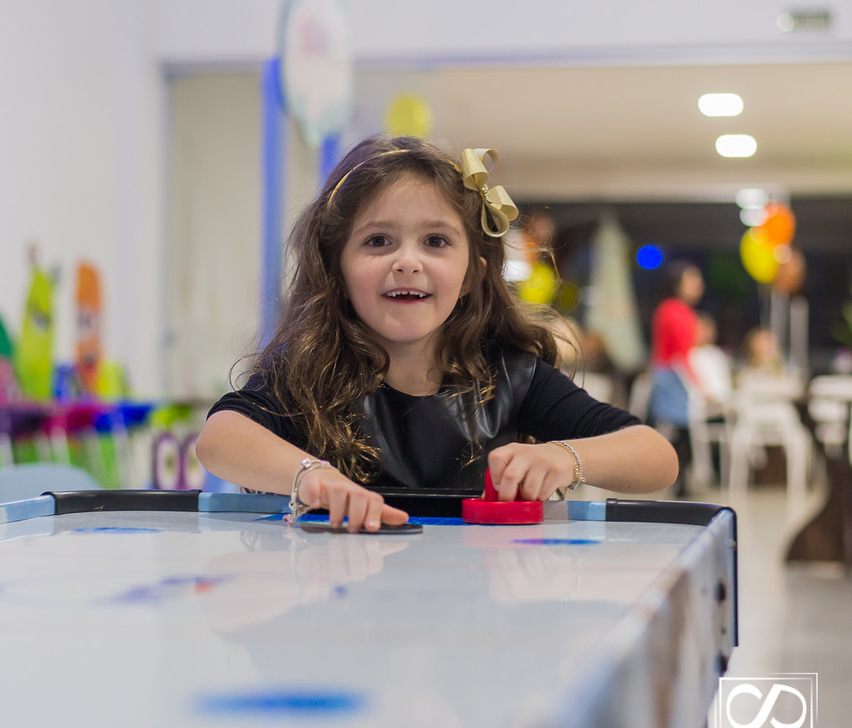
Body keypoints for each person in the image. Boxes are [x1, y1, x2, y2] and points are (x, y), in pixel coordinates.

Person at [196, 135, 677, 532]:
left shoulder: (513, 375)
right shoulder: (306, 367)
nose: (408, 261)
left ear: (472, 272)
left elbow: (656, 458)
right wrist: (312, 476)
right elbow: (220, 438)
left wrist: (562, 456)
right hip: (337, 619)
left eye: (436, 241)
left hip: (472, 625)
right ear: (336, 269)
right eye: (378, 241)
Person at [648, 261, 705, 494]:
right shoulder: (675, 311)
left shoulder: (671, 309)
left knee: (679, 431)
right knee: (680, 431)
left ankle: (679, 481)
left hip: (670, 374)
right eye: (692, 279)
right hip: (673, 377)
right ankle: (677, 481)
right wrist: (698, 384)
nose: (698, 285)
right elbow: (680, 355)